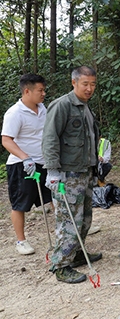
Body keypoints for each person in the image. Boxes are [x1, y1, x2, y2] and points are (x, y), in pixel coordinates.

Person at [42, 66, 102, 284]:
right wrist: (52, 170)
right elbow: (50, 138)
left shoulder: (85, 107)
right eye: (85, 84)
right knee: (69, 220)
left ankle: (76, 253)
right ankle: (61, 265)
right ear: (74, 82)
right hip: (67, 174)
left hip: (85, 171)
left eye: (93, 84)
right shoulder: (62, 105)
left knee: (85, 218)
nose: (89, 88)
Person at [2, 74, 50, 256]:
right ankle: (21, 241)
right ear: (27, 91)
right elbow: (6, 140)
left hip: (44, 162)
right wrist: (25, 157)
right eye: (40, 90)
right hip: (22, 165)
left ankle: (69, 228)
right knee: (20, 203)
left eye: (44, 90)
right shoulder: (15, 113)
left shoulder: (43, 108)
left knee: (55, 196)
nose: (44, 93)